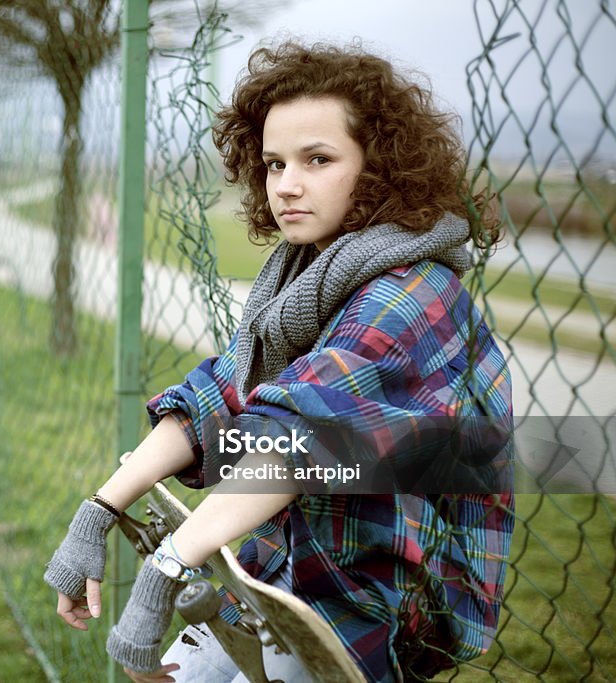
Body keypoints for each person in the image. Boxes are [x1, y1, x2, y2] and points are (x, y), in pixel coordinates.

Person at [44, 40, 513, 683]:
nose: (285, 186)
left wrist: (168, 565)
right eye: (272, 163)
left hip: (383, 594)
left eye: (316, 160)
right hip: (294, 561)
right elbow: (224, 393)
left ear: (379, 168)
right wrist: (98, 511)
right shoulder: (307, 272)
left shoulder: (413, 294)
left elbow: (301, 437)